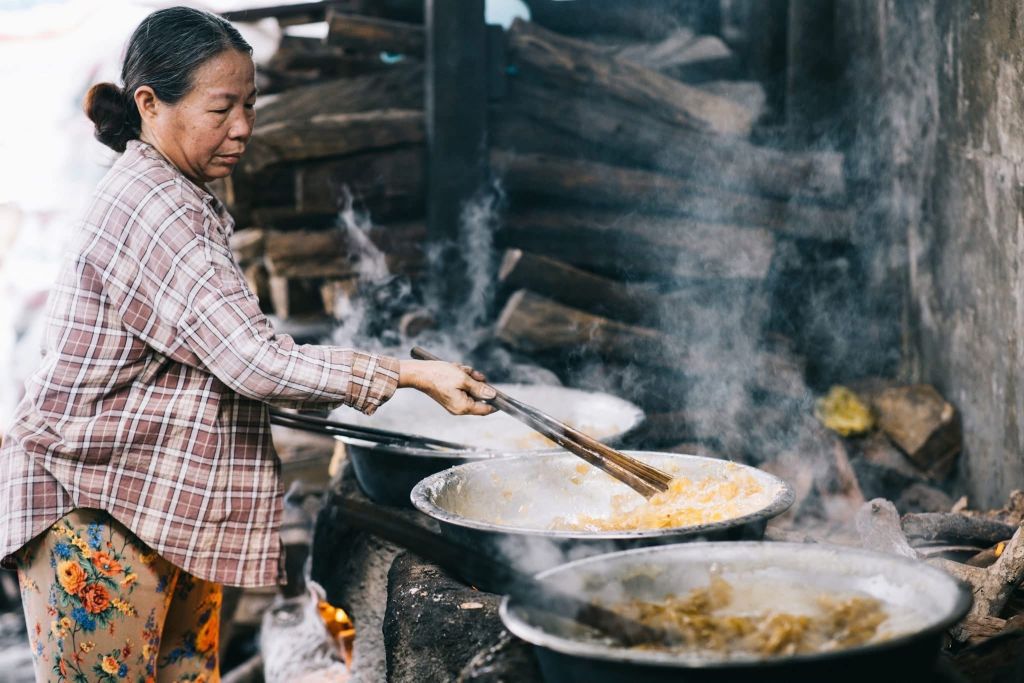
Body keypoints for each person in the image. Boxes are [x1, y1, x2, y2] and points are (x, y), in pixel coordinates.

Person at [0, 7, 495, 681]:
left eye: (250, 105)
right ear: (149, 103)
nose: (242, 127)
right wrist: (412, 374)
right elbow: (252, 362)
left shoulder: (176, 192)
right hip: (97, 513)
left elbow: (223, 357)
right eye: (221, 107)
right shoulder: (156, 205)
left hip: (155, 510)